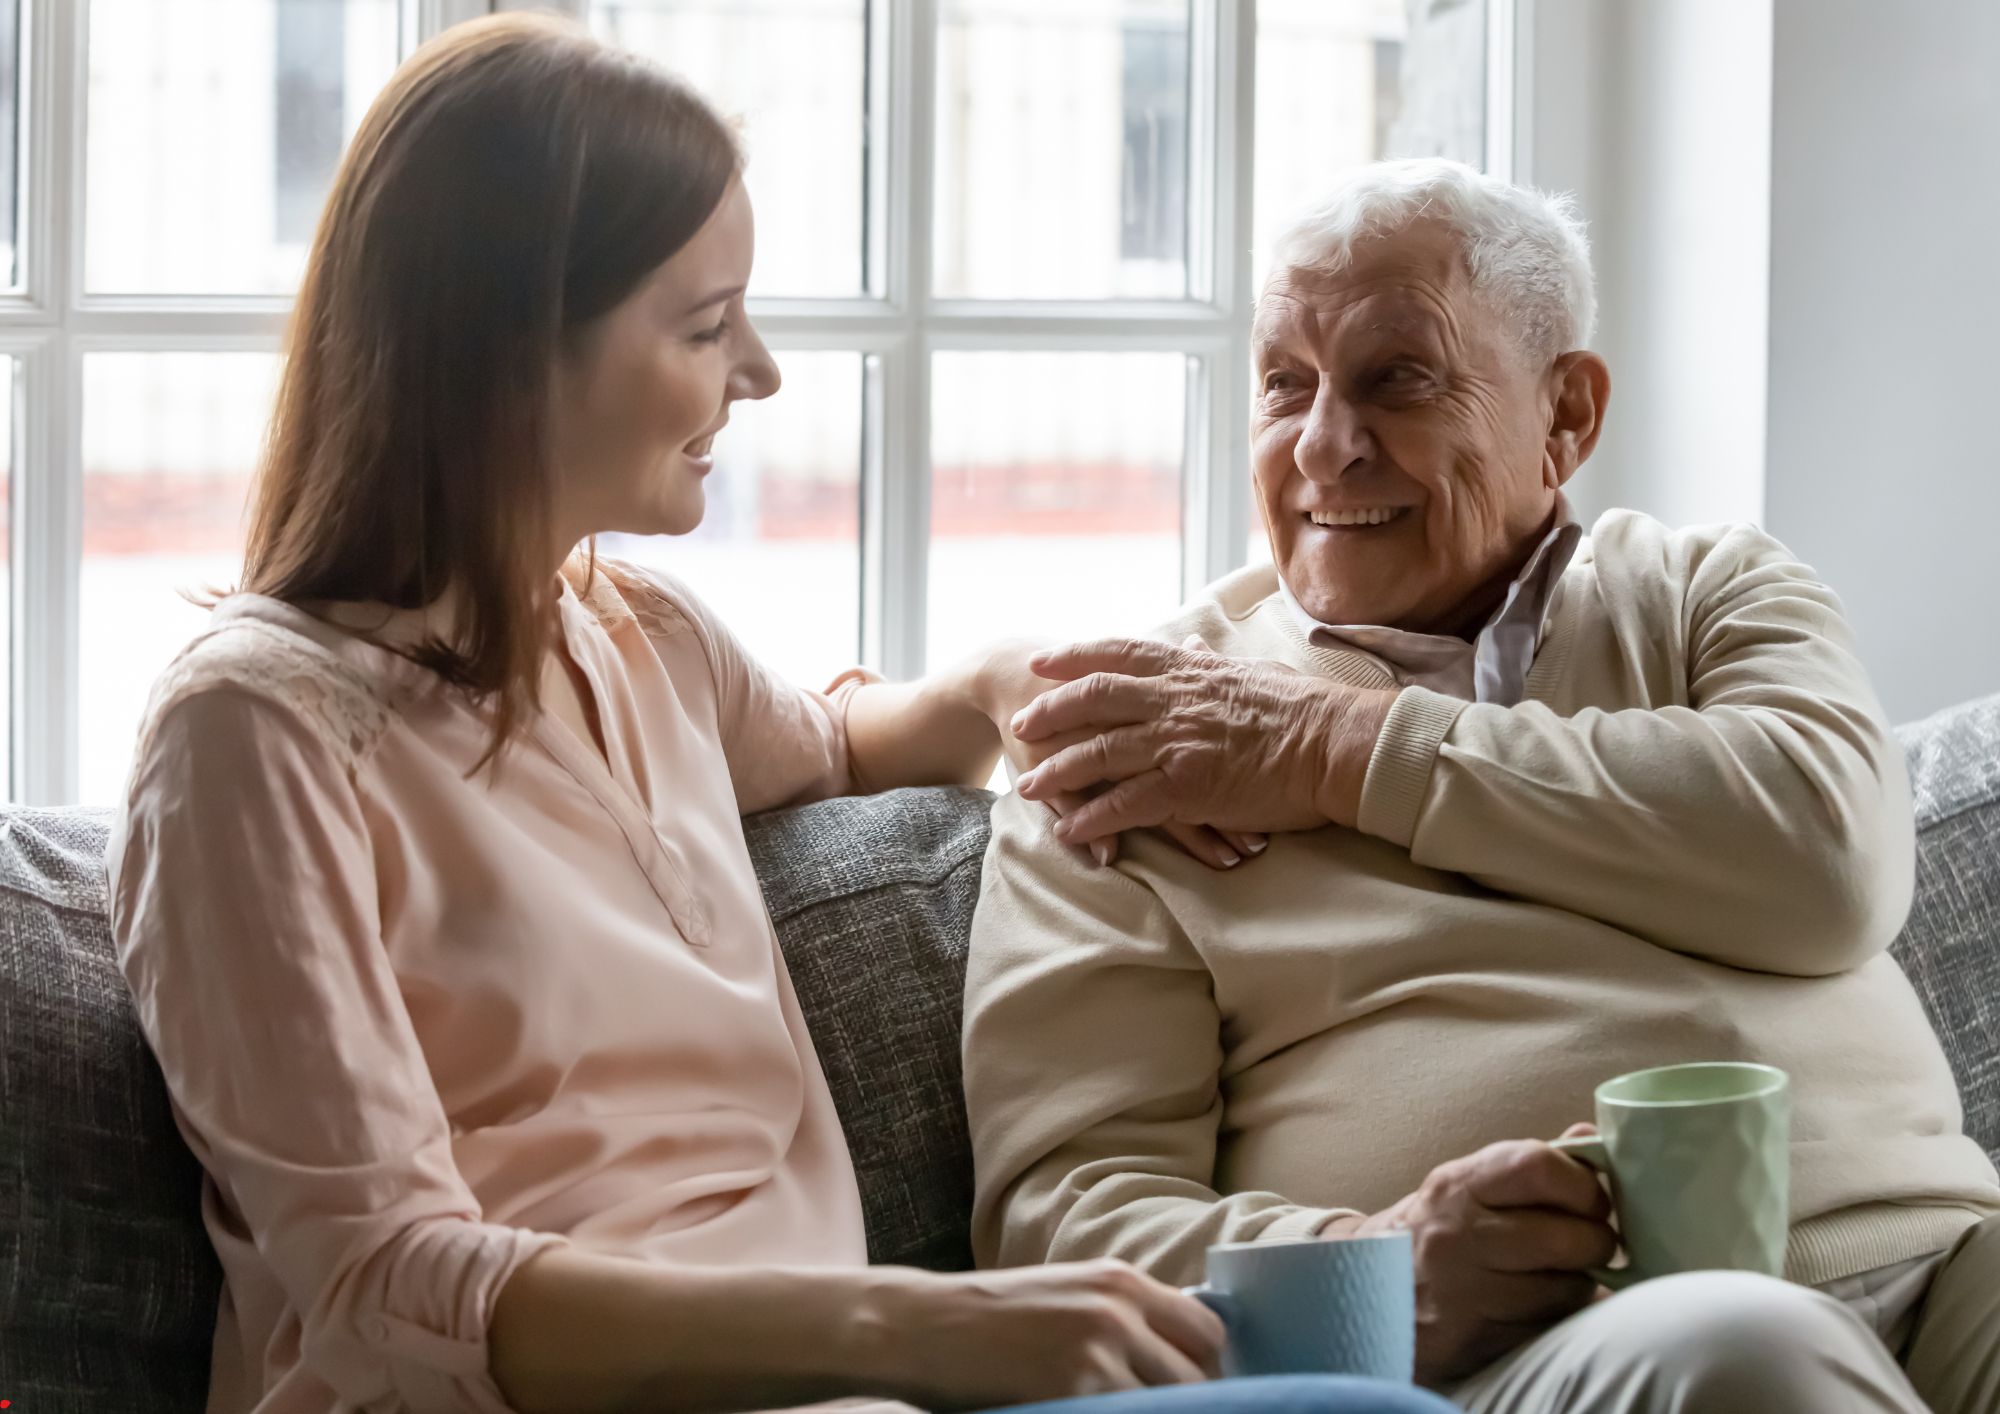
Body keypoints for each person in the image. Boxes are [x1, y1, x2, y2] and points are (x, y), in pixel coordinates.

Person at [107, 17, 1451, 1414]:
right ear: (506, 347)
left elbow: (846, 743)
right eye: (704, 324)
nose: (760, 372)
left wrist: (1012, 681)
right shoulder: (249, 736)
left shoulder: (642, 640)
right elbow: (385, 1281)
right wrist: (912, 1325)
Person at [963, 158, 2000, 1413]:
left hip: (1947, 1268)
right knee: (1740, 1348)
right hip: (1561, 1347)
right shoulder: (1139, 742)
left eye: (1394, 379)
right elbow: (1063, 1220)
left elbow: (1828, 861)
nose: (1323, 447)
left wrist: (1336, 750)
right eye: (1283, 385)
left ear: (1565, 415)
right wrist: (1376, 1266)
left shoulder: (1709, 590)